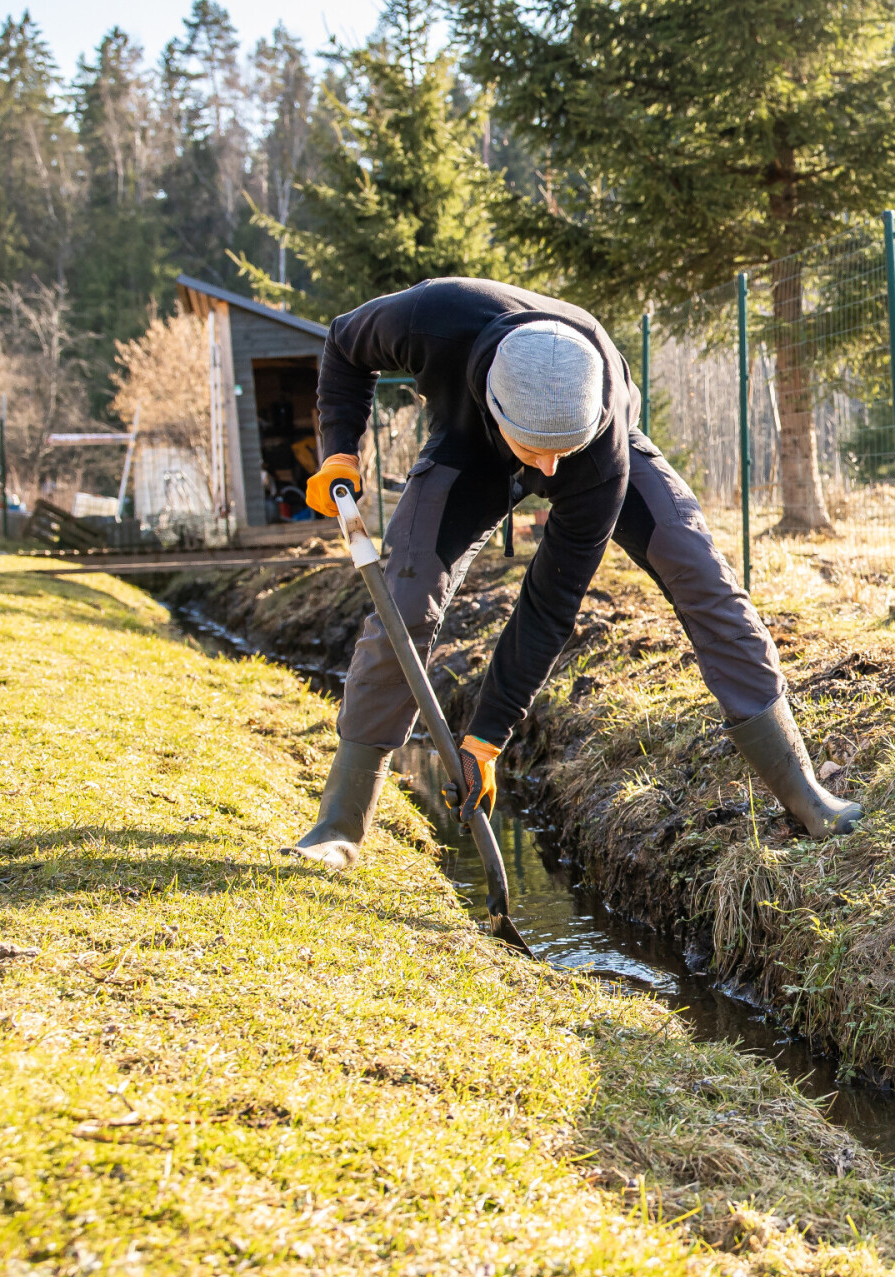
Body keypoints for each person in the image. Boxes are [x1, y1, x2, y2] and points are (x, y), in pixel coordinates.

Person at [284, 277, 858, 868]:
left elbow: (549, 602)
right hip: (467, 450)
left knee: (701, 574)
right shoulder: (430, 317)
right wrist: (339, 453)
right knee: (404, 600)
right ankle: (340, 824)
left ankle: (805, 794)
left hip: (604, 450)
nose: (550, 469)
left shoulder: (596, 452)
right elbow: (344, 346)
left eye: (564, 450)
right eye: (537, 451)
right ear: (496, 406)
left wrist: (485, 739)